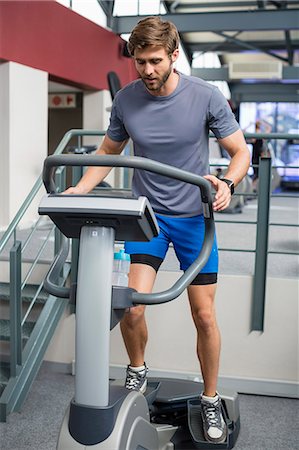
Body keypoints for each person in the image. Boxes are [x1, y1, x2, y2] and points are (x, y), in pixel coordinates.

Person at [64, 16, 250, 444]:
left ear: (173, 56)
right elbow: (109, 149)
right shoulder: (127, 99)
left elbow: (239, 150)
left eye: (154, 61)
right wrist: (80, 187)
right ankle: (137, 371)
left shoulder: (205, 96)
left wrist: (227, 181)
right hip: (147, 217)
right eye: (139, 62)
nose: (146, 71)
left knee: (203, 315)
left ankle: (209, 398)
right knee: (131, 306)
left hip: (192, 220)